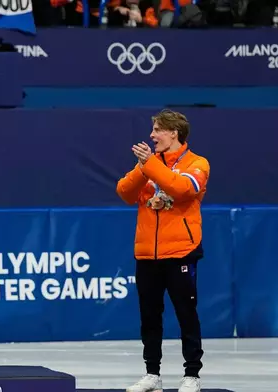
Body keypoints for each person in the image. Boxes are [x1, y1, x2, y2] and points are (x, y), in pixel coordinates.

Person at [116, 109, 210, 392]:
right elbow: (124, 192)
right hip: (147, 254)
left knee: (186, 314)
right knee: (149, 316)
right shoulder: (150, 163)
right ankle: (152, 374)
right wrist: (144, 167)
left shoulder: (197, 163)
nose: (152, 135)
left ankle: (192, 374)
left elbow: (182, 188)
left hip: (181, 251)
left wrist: (150, 165)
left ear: (174, 133)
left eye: (157, 129)